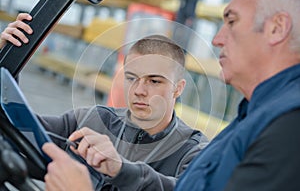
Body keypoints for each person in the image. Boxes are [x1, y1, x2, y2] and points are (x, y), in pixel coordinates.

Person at [0, 16, 209, 191]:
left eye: (154, 81)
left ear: (178, 88)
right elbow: (16, 128)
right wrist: (7, 62)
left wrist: (120, 169)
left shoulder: (194, 151)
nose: (139, 91)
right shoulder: (92, 120)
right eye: (131, 78)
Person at [175, 0, 300, 190]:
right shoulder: (257, 112)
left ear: (277, 28)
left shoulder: (289, 126)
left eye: (232, 22)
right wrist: (126, 173)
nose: (217, 39)